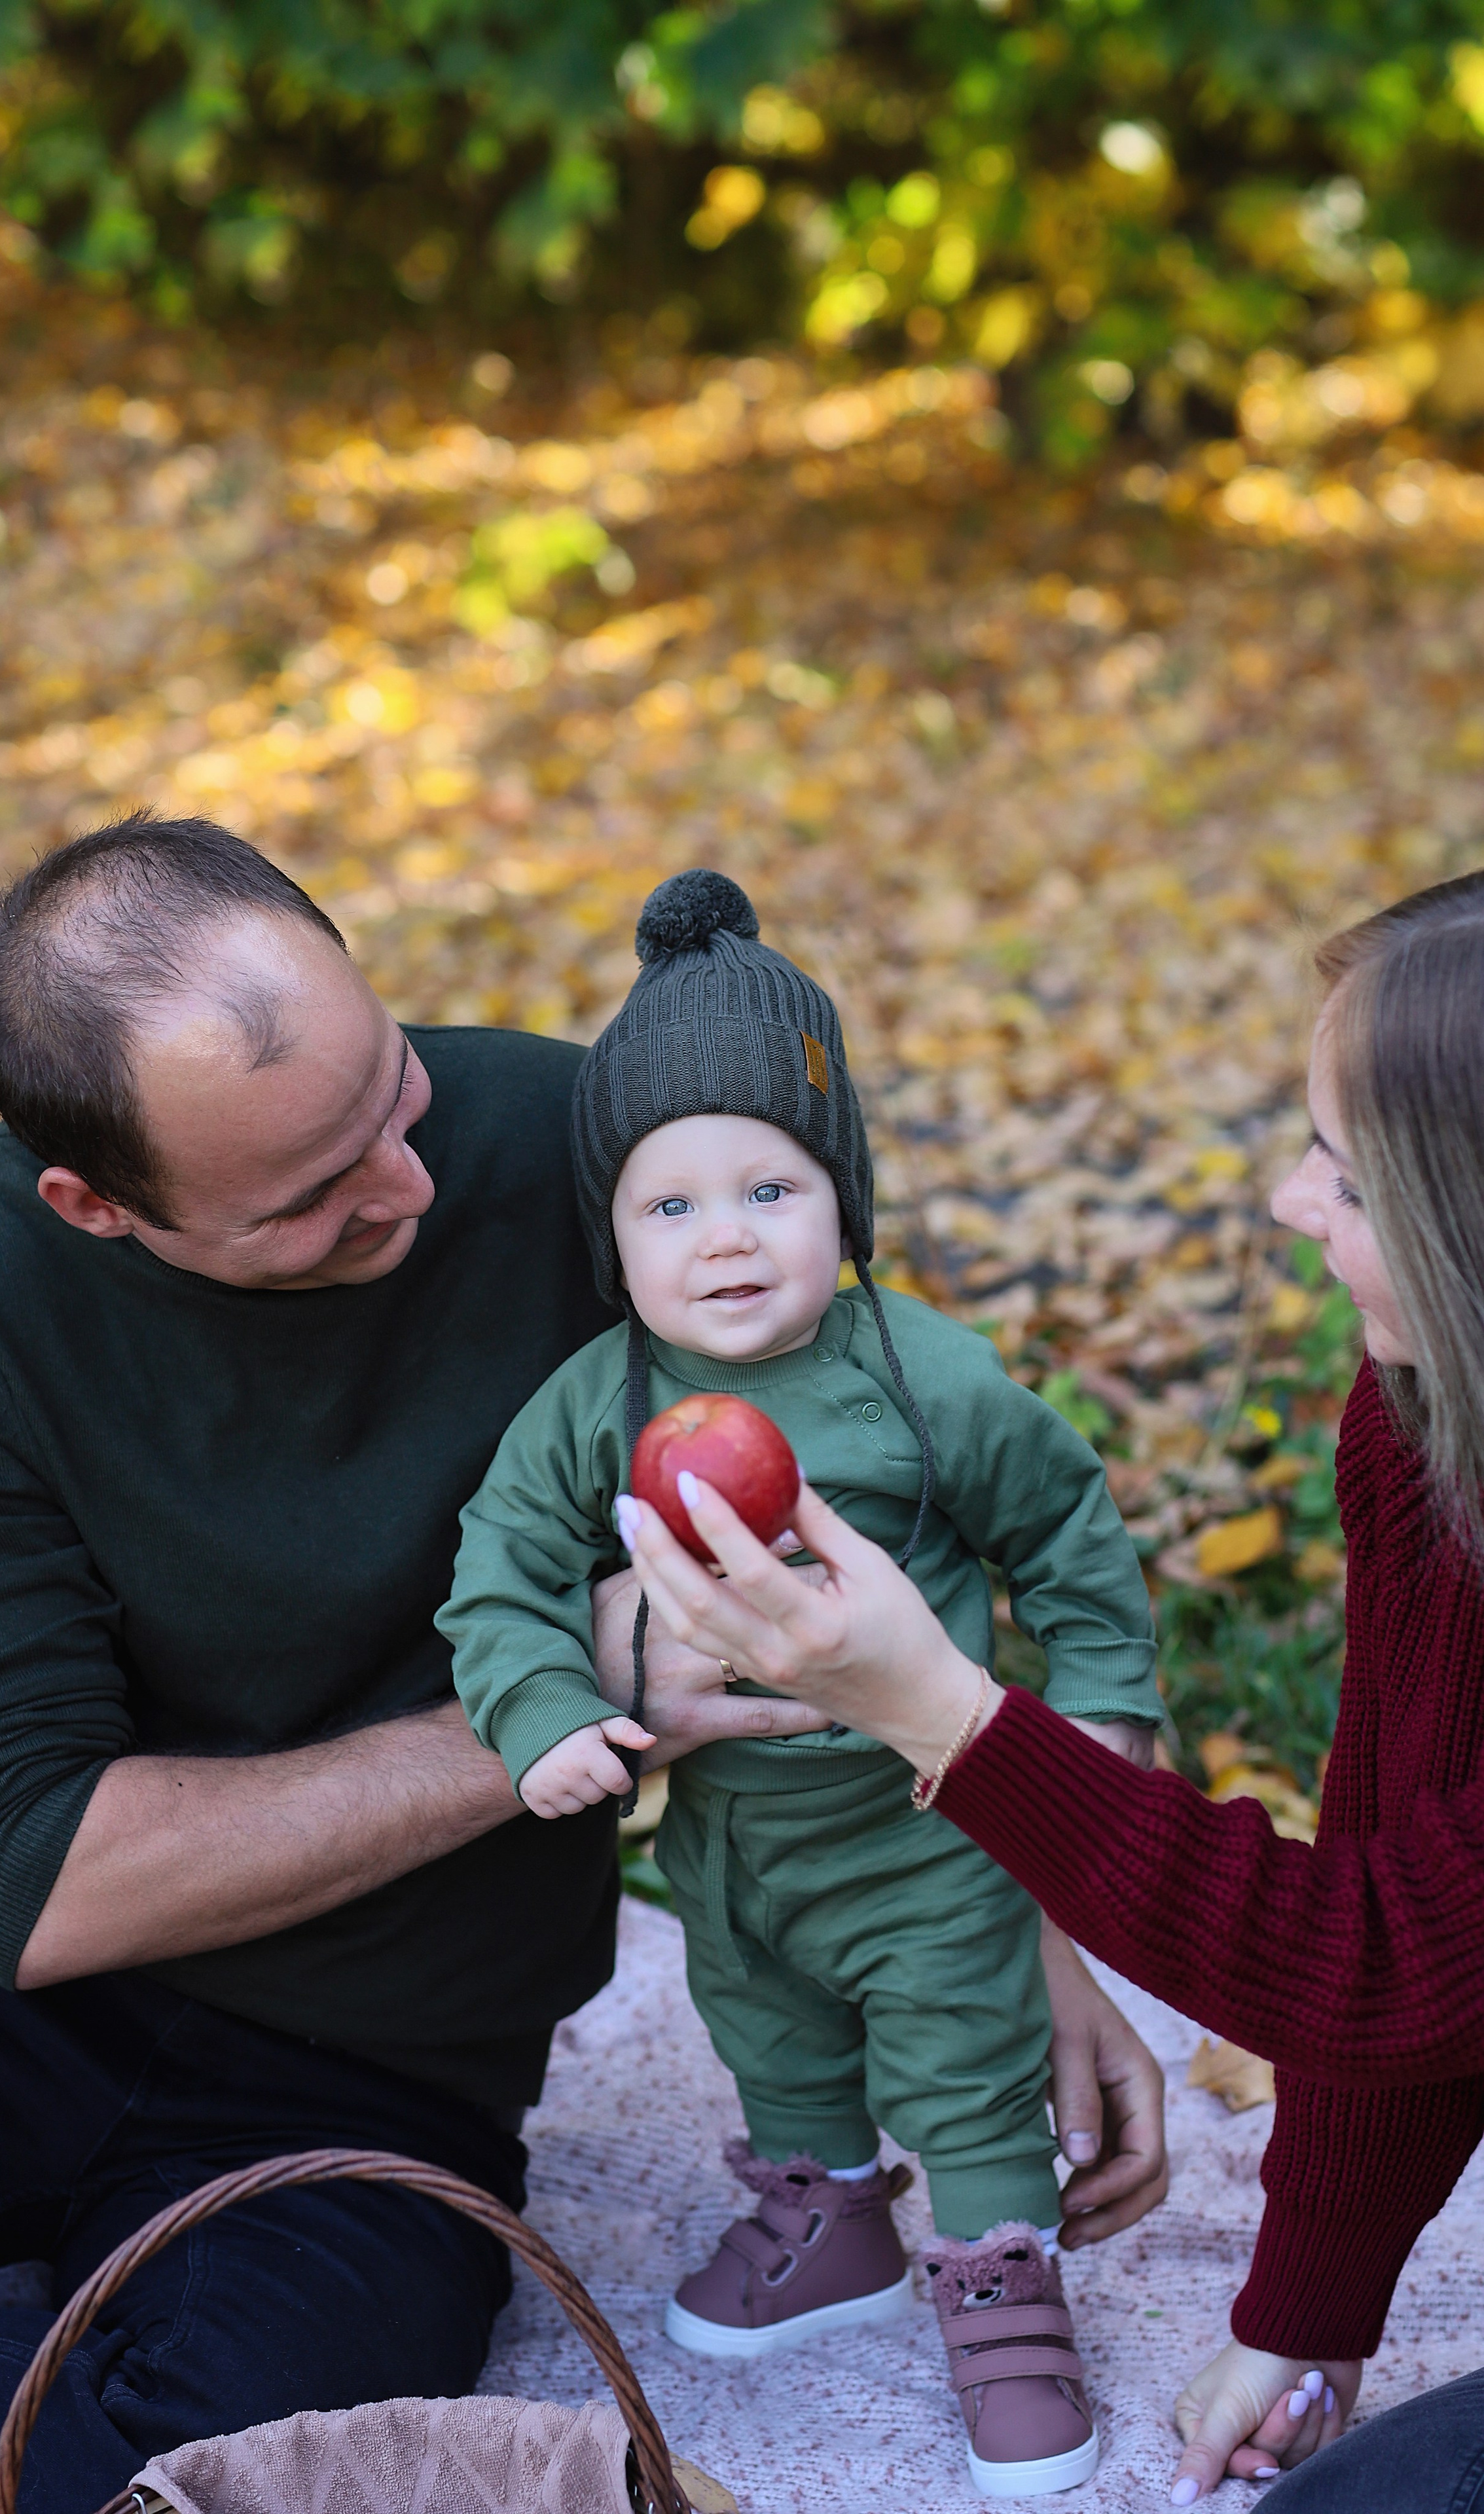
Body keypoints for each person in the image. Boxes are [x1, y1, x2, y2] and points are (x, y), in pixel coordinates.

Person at [0, 812, 865, 2514]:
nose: (408, 1186)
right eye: (311, 1198)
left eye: (390, 1093)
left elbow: (879, 1515)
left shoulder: (589, 1146)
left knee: (191, 2485)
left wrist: (1030, 1934)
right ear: (96, 1205)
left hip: (384, 2080)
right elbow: (30, 1879)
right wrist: (552, 1698)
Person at [617, 865, 1484, 2511]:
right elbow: (1407, 1896)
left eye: (1347, 1176)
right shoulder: (1424, 1414)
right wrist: (1306, 2305)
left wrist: (939, 1712)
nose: (1284, 1203)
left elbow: (1377, 1964)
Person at [441, 870, 1162, 2496]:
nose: (725, 1238)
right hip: (729, 1846)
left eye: (770, 1187)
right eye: (668, 1207)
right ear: (610, 1237)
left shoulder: (923, 1379)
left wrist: (1102, 1720)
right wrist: (541, 1711)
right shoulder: (596, 1402)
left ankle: (1002, 2289)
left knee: (966, 2066)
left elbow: (1065, 1537)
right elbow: (501, 1569)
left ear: (845, 1201)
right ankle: (829, 2218)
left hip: (927, 1829)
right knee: (768, 2036)